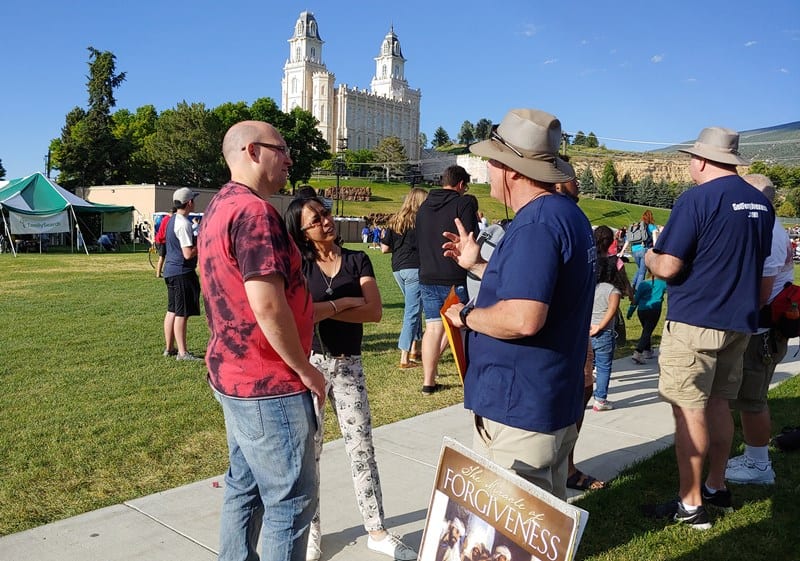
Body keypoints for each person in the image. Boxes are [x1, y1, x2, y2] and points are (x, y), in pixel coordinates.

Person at [442, 109, 595, 500]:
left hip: (520, 408)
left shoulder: (535, 224)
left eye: (492, 161)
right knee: (542, 519)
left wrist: (465, 315)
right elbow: (540, 285)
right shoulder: (566, 216)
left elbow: (524, 317)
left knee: (509, 533)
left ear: (510, 169)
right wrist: (477, 264)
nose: (489, 169)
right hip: (550, 397)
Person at [198, 120, 326, 561]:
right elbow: (268, 305)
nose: (290, 158)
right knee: (290, 502)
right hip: (267, 383)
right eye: (282, 148)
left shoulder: (218, 207)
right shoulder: (254, 213)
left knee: (244, 483)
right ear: (253, 151)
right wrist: (305, 369)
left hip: (233, 376)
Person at [642, 126, 774, 529]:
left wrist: (648, 254)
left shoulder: (696, 199)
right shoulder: (760, 204)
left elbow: (669, 266)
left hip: (697, 320)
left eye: (691, 160)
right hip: (739, 322)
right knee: (719, 404)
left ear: (700, 160)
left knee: (688, 410)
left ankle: (691, 502)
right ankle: (716, 485)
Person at [285, 196, 416, 561]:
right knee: (309, 454)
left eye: (326, 214)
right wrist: (345, 303)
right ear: (302, 231)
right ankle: (311, 533)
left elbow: (373, 311)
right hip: (308, 367)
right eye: (316, 220)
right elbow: (303, 315)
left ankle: (376, 529)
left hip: (348, 366)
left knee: (361, 448)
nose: (326, 222)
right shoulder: (298, 268)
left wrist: (328, 309)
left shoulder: (358, 258)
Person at [726, 174, 794, 485]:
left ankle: (759, 466)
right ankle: (755, 456)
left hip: (760, 330)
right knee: (749, 397)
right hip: (761, 327)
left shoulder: (769, 232)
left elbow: (761, 294)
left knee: (752, 400)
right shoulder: (769, 228)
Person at [416, 165, 479, 393]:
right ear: (461, 185)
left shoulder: (423, 208)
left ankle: (428, 381)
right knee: (461, 326)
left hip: (427, 275)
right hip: (454, 274)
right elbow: (471, 236)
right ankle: (469, 378)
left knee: (433, 328)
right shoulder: (463, 203)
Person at [381, 188, 428, 368]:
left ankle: (415, 349)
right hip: (415, 268)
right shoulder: (421, 222)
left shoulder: (395, 221)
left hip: (397, 269)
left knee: (414, 308)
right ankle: (404, 357)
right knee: (412, 311)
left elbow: (385, 249)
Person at [162, 189, 202, 361]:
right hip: (181, 272)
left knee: (172, 310)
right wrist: (202, 243)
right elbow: (187, 253)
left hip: (170, 271)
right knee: (181, 313)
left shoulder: (171, 220)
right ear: (190, 202)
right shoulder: (184, 224)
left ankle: (169, 348)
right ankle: (182, 353)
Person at [590, 250, 625, 411]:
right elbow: (612, 311)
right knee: (604, 367)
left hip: (587, 331)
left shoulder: (590, 287)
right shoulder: (613, 290)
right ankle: (600, 399)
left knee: (585, 366)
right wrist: (601, 326)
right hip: (603, 332)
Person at [630, 269, 667, 364]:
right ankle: (638, 351)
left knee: (646, 329)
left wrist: (631, 311)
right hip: (654, 309)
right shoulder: (663, 283)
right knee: (648, 330)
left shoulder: (643, 284)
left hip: (642, 310)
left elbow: (636, 299)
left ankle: (647, 350)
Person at [626, 210, 658, 289]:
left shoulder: (638, 226)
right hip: (644, 250)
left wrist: (623, 250)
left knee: (640, 269)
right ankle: (637, 289)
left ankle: (632, 285)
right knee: (642, 272)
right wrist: (656, 249)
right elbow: (654, 240)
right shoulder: (651, 226)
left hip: (634, 250)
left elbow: (628, 239)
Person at [153, 209, 175, 278]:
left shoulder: (165, 218)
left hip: (160, 240)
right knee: (162, 258)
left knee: (165, 257)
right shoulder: (169, 219)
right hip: (162, 241)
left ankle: (164, 272)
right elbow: (166, 231)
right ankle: (158, 274)